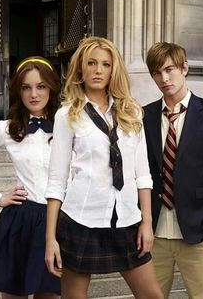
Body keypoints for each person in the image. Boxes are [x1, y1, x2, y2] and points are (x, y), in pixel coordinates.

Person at [44, 36, 163, 299]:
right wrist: (50, 239)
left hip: (128, 219)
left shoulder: (132, 112)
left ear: (114, 69)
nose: (98, 70)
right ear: (80, 68)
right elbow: (56, 180)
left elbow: (143, 174)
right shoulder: (67, 115)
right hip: (80, 220)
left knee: (152, 295)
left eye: (106, 64)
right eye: (92, 63)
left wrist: (147, 222)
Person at [0, 56, 61, 299]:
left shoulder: (67, 125)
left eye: (41, 86)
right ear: (18, 91)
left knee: (50, 294)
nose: (33, 94)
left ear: (52, 88)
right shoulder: (5, 129)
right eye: (26, 87)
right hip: (21, 221)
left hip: (58, 221)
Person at [143, 42, 203, 299]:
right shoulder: (143, 116)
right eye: (156, 73)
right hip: (153, 231)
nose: (163, 78)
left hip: (199, 231)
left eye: (169, 69)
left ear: (184, 68)